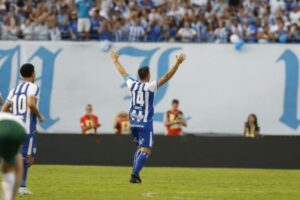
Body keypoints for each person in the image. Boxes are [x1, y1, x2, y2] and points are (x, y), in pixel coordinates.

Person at [110, 49, 186, 183]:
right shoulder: (150, 86)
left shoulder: (132, 84)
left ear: (139, 75)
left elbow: (122, 72)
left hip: (133, 121)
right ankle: (134, 174)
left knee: (140, 148)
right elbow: (167, 76)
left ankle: (136, 173)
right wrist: (177, 64)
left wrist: (115, 60)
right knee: (147, 150)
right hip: (145, 122)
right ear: (148, 75)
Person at [1, 63, 45, 195]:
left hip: (15, 126)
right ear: (33, 74)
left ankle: (17, 183)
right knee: (28, 158)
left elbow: (4, 109)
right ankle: (21, 186)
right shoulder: (33, 87)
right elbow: (31, 104)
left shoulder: (14, 89)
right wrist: (39, 115)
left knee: (21, 157)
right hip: (26, 128)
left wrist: (16, 112)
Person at [0, 112, 26, 200]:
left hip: (3, 129)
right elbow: (19, 170)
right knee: (8, 170)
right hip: (20, 130)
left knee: (6, 170)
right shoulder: (9, 116)